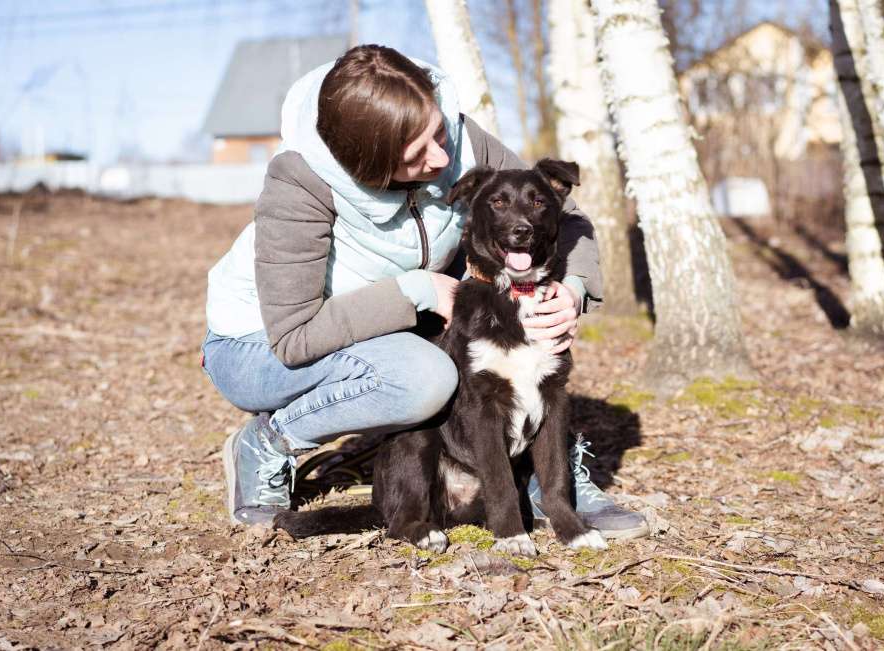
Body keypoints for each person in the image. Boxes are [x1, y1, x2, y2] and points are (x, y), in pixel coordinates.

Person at [201, 44, 648, 539]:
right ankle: (271, 439)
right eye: (417, 154)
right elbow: (294, 336)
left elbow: (561, 213)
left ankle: (546, 477)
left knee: (479, 367)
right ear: (367, 163)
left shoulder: (460, 142)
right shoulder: (299, 185)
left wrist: (573, 287)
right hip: (259, 345)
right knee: (423, 379)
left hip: (383, 322)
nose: (442, 155)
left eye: (437, 132)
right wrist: (415, 291)